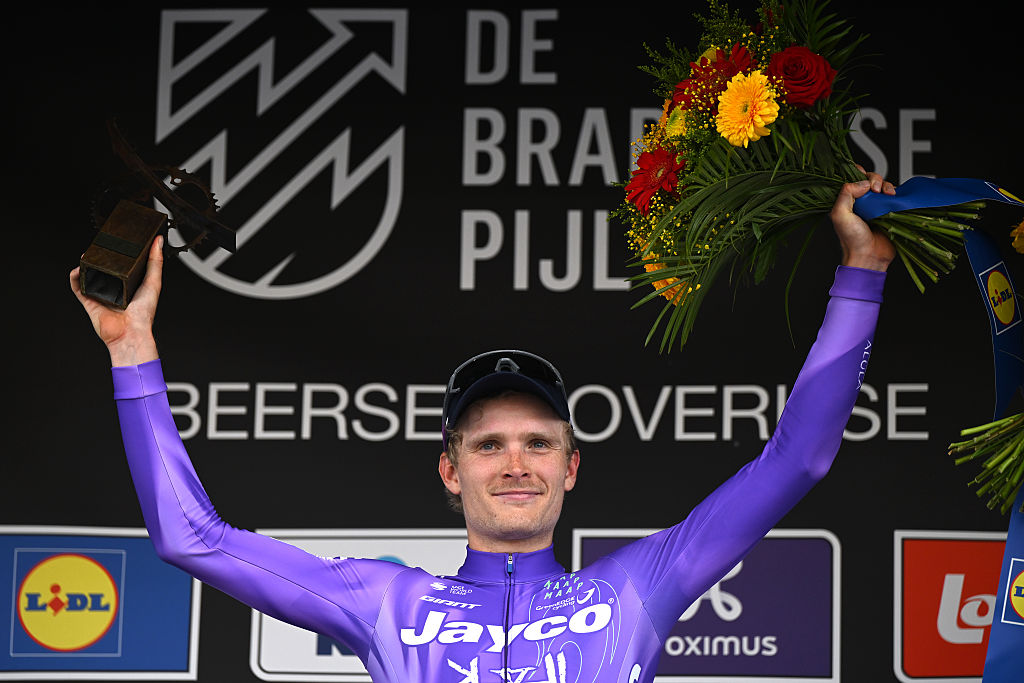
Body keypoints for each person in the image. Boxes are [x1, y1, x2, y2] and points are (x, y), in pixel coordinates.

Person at [71, 175, 895, 682]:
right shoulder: (383, 600)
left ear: (572, 467)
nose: (515, 463)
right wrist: (132, 348)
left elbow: (798, 457)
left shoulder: (638, 586)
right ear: (450, 471)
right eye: (487, 443)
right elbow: (192, 538)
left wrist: (861, 270)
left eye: (538, 442)